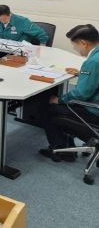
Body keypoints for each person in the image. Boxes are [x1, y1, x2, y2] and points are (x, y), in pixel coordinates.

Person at [39, 24, 99, 162]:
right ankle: (66, 147)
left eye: (74, 45)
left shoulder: (93, 62)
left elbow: (82, 94)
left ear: (83, 43)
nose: (75, 49)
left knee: (49, 109)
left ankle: (61, 151)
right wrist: (82, 74)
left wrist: (59, 100)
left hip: (94, 111)